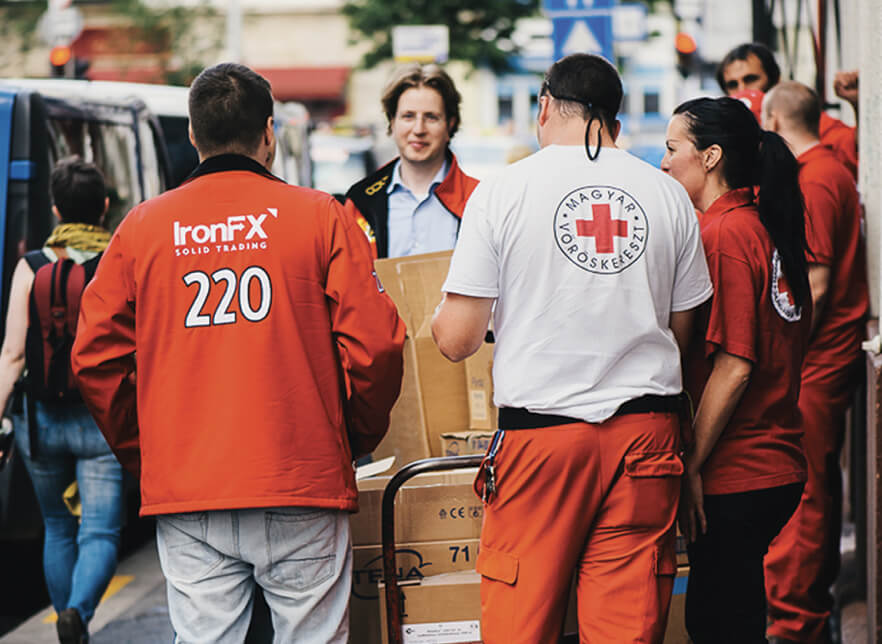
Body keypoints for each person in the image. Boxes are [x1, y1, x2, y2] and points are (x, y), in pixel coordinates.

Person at [70, 63, 406, 643]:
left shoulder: (142, 228)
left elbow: (95, 358)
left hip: (190, 483)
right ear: (269, 134)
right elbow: (376, 346)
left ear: (194, 137)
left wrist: (146, 451)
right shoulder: (321, 216)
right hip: (301, 476)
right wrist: (351, 437)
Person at [432, 53, 713, 643]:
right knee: (626, 627)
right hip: (645, 441)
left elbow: (456, 340)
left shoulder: (502, 191)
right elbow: (685, 331)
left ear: (543, 106)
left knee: (521, 622)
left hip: (543, 444)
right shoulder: (666, 196)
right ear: (612, 118)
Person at [661, 96, 812, 644]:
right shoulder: (759, 226)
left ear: (710, 157)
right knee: (734, 615)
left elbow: (736, 366)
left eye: (673, 148)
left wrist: (691, 465)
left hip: (737, 469)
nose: (663, 162)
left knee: (717, 623)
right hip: (772, 462)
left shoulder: (725, 235)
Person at [761, 81, 869, 644]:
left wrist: (783, 354)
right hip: (821, 358)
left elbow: (817, 283)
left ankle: (795, 620)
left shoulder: (818, 178)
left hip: (818, 359)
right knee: (813, 484)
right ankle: (801, 610)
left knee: (804, 491)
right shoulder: (825, 172)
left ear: (775, 121)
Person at [0, 157, 124, 644]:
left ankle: (67, 624)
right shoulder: (115, 261)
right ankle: (78, 612)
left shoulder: (30, 268)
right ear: (105, 208)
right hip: (100, 417)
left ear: (55, 209)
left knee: (57, 524)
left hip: (39, 420)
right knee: (100, 532)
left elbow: (12, 354)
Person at [342, 63, 478, 258]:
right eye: (408, 116)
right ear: (392, 122)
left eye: (431, 117)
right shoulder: (361, 201)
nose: (418, 129)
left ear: (450, 124)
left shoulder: (480, 201)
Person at [716, 42, 858, 178]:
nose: (742, 90)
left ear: (775, 80)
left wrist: (856, 103)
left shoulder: (801, 118)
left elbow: (853, 149)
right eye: (733, 84)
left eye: (751, 79)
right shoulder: (725, 137)